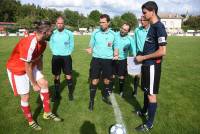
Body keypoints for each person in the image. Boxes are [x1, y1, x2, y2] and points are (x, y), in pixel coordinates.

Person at [6, 20, 61, 131]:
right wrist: (34, 83)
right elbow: (27, 67)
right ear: (45, 32)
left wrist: (40, 70)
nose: (52, 33)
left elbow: (39, 57)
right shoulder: (30, 43)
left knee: (44, 83)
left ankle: (47, 112)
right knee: (26, 96)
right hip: (17, 69)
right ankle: (31, 120)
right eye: (51, 31)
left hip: (31, 66)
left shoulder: (44, 43)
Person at [134, 1, 167, 132]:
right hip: (146, 65)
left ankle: (149, 124)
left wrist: (143, 58)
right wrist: (139, 57)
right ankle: (143, 111)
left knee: (151, 94)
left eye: (144, 12)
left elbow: (162, 51)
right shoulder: (152, 26)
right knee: (147, 91)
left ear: (152, 11)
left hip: (153, 66)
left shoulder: (159, 27)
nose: (143, 15)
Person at [85, 14, 118, 111]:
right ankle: (91, 101)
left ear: (108, 23)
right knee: (94, 80)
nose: (101, 24)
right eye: (100, 22)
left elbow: (115, 46)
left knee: (106, 80)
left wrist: (116, 54)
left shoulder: (113, 34)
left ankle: (105, 96)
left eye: (103, 22)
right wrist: (90, 49)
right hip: (96, 59)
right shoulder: (95, 33)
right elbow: (91, 44)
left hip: (108, 60)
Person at [49, 16, 74, 101]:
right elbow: (51, 44)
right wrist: (54, 51)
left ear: (64, 24)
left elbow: (72, 44)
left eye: (61, 23)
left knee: (68, 75)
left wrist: (68, 52)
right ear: (56, 24)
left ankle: (70, 94)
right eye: (58, 23)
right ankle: (56, 94)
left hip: (66, 57)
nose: (60, 25)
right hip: (56, 57)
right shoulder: (53, 33)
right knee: (56, 75)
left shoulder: (69, 33)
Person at [111, 23, 136, 97]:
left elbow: (133, 51)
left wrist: (133, 62)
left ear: (128, 31)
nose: (122, 30)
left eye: (125, 30)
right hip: (112, 58)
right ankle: (110, 87)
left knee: (121, 76)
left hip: (123, 60)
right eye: (122, 28)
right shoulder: (115, 35)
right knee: (111, 75)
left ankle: (121, 90)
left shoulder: (130, 39)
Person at [132, 16, 150, 96]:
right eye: (141, 20)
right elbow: (134, 42)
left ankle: (146, 88)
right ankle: (135, 91)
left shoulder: (152, 30)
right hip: (139, 53)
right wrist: (135, 54)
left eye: (144, 20)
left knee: (146, 73)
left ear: (148, 21)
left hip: (148, 53)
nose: (142, 22)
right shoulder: (137, 30)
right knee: (137, 73)